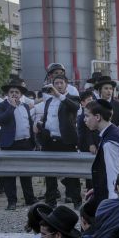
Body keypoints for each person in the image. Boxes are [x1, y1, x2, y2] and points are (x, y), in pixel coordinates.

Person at [36, 75, 82, 208]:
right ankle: (51, 201)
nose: (59, 85)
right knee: (49, 174)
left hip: (66, 141)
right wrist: (39, 124)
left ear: (66, 84)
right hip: (50, 141)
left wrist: (59, 95)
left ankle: (77, 201)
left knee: (72, 174)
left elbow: (75, 108)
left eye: (61, 83)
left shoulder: (72, 98)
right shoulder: (49, 101)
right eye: (56, 83)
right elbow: (48, 119)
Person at [84, 99, 119, 205]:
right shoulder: (117, 132)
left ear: (97, 117)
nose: (85, 119)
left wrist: (112, 207)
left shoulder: (110, 142)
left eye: (87, 116)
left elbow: (113, 179)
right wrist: (99, 190)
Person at [0, 78, 37, 210]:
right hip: (9, 144)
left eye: (17, 92)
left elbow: (29, 124)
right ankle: (12, 201)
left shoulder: (24, 106)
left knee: (26, 173)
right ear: (7, 94)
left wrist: (32, 142)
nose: (14, 94)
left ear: (21, 94)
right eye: (11, 92)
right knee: (9, 175)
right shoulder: (1, 106)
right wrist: (11, 107)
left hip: (25, 144)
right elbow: (0, 120)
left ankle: (29, 199)